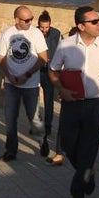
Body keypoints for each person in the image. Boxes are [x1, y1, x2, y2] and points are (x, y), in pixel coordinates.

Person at [48, 6, 99, 198]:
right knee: (68, 144)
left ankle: (78, 192)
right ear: (81, 26)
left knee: (90, 146)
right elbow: (53, 71)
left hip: (96, 104)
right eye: (94, 21)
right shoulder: (65, 45)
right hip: (71, 103)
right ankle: (87, 173)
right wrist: (61, 89)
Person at [0, 5, 48, 161]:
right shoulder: (7, 33)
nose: (29, 22)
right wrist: (9, 76)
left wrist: (27, 74)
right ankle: (11, 150)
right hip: (11, 84)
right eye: (26, 20)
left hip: (30, 84)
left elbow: (43, 58)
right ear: (17, 19)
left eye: (31, 19)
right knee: (10, 118)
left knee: (34, 118)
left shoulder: (36, 33)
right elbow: (1, 58)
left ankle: (41, 140)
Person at [37, 11, 63, 160]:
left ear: (50, 25)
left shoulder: (57, 34)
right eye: (42, 27)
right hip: (35, 70)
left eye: (46, 28)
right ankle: (36, 124)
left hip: (49, 71)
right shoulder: (34, 32)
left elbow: (61, 51)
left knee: (48, 100)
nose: (44, 30)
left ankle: (47, 126)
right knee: (33, 99)